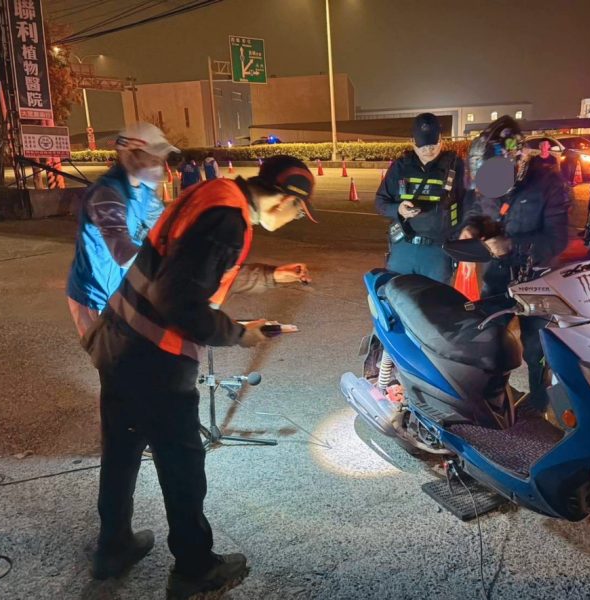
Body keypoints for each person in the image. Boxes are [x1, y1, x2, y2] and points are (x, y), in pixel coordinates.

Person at [81, 155, 317, 599]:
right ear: (285, 200)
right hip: (155, 358)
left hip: (118, 340)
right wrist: (239, 334)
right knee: (182, 465)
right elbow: (180, 303)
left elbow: (200, 271)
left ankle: (113, 547)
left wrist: (271, 277)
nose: (294, 220)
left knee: (122, 450)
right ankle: (195, 568)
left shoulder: (214, 194)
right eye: (298, 213)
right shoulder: (228, 221)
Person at [461, 116, 570, 417]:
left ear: (517, 158)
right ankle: (492, 402)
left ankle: (539, 409)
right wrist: (471, 228)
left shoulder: (549, 183)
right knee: (488, 343)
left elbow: (558, 239)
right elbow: (477, 210)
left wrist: (512, 245)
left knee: (537, 351)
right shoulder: (490, 181)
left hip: (537, 280)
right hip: (498, 276)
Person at [66, 122, 177, 337]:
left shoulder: (145, 192)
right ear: (128, 156)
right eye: (152, 159)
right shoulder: (107, 194)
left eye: (160, 160)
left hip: (125, 291)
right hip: (96, 295)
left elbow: (165, 230)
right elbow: (123, 253)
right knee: (113, 354)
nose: (158, 166)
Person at [375, 112, 467, 284]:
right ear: (413, 142)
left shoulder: (455, 167)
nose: (428, 150)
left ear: (441, 140)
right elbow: (380, 202)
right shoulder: (400, 167)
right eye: (423, 146)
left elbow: (468, 205)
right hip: (403, 249)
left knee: (435, 299)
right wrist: (398, 209)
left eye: (433, 145)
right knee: (398, 296)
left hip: (438, 253)